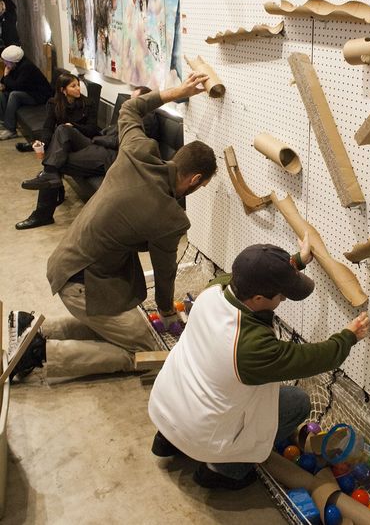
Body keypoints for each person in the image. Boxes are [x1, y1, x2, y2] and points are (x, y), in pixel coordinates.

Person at [10, 71, 217, 381]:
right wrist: (170, 315)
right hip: (84, 283)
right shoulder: (171, 218)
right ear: (195, 179)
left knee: (117, 327)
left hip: (65, 261)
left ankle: (32, 328)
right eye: (199, 187)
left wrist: (178, 92)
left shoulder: (136, 151)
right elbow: (164, 276)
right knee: (147, 351)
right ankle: (40, 355)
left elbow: (129, 109)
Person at [147, 237, 370, 490]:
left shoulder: (216, 289)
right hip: (203, 436)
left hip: (166, 407)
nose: (284, 299)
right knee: (297, 401)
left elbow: (253, 272)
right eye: (281, 294)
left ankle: (168, 440)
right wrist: (349, 336)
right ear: (257, 299)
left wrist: (296, 262)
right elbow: (313, 358)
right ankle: (222, 470)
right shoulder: (250, 347)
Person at [16, 85, 151, 230]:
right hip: (98, 146)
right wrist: (99, 136)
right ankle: (51, 178)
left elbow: (123, 142)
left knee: (56, 161)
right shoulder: (131, 113)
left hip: (109, 156)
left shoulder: (148, 119)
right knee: (63, 129)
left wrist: (97, 138)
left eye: (133, 100)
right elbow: (109, 131)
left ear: (145, 101)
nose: (128, 103)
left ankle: (43, 213)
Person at [0, 45, 53, 140]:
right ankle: (5, 122)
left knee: (14, 95)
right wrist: (5, 78)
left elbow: (16, 86)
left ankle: (11, 130)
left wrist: (6, 76)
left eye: (6, 61)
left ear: (13, 61)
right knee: (3, 94)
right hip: (29, 92)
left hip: (40, 96)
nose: (4, 63)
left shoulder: (26, 67)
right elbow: (7, 84)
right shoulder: (15, 66)